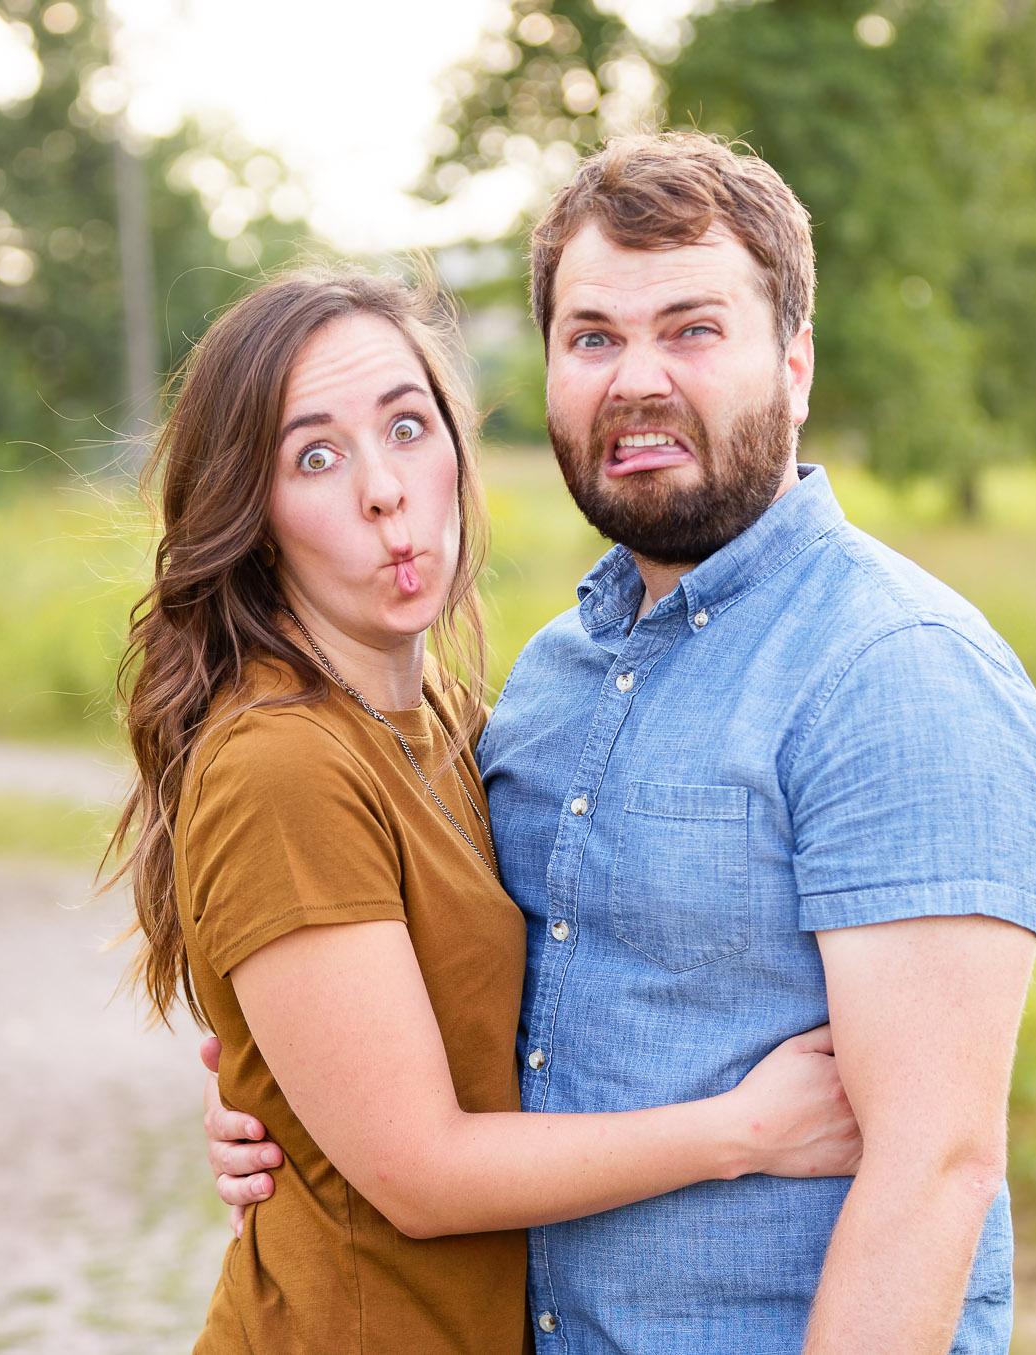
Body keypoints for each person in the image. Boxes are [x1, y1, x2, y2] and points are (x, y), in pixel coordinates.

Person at [205, 134, 1036, 1353]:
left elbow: (935, 1167)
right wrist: (287, 1101)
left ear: (794, 362)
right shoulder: (549, 679)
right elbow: (452, 1014)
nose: (637, 380)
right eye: (593, 338)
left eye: (692, 329)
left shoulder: (892, 671)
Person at [106, 264, 862, 1355]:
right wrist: (746, 1128)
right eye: (315, 456)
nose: (383, 490)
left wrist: (288, 1102)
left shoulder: (452, 722)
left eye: (406, 427)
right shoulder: (282, 762)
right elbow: (418, 1173)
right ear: (254, 515)